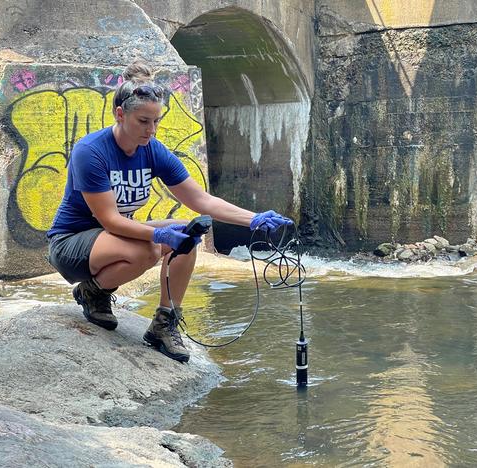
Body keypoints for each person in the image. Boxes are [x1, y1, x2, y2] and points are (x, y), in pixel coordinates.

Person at [46, 59, 293, 363]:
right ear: (120, 114)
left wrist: (252, 219)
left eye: (156, 121)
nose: (151, 130)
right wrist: (159, 234)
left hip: (111, 238)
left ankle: (164, 322)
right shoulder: (91, 151)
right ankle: (91, 293)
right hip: (71, 243)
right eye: (143, 121)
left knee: (189, 233)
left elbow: (201, 200)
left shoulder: (153, 150)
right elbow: (109, 220)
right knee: (147, 251)